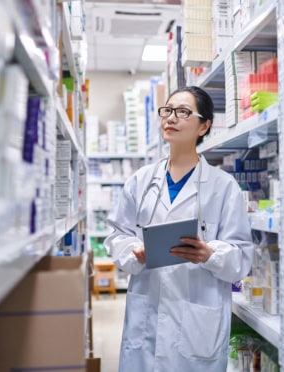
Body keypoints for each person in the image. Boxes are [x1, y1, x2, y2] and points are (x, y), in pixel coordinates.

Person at [104, 86, 254, 371]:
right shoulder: (141, 181)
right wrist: (135, 252)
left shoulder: (224, 187)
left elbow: (242, 258)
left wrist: (209, 254)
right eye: (167, 110)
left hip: (197, 322)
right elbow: (116, 235)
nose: (171, 118)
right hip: (146, 316)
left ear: (204, 126)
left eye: (183, 112)